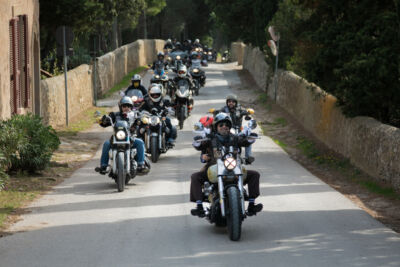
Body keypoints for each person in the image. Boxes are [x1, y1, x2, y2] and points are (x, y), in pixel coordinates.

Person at [190, 113, 263, 217]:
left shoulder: (235, 138)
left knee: (254, 175)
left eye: (227, 125)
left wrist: (251, 138)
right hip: (214, 168)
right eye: (221, 125)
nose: (224, 126)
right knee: (195, 177)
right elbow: (200, 145)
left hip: (234, 168)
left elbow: (244, 141)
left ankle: (251, 204)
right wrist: (197, 141)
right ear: (216, 127)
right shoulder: (211, 139)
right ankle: (199, 206)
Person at [95, 96, 149, 174]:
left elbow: (141, 119)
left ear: (131, 107)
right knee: (106, 144)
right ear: (120, 107)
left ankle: (141, 165)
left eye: (128, 106)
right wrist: (103, 120)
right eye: (124, 106)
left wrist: (143, 120)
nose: (126, 108)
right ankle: (103, 166)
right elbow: (105, 123)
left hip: (130, 138)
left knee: (140, 142)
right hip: (116, 138)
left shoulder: (135, 115)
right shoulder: (114, 115)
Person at [218, 94, 255, 164]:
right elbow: (218, 114)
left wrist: (248, 112)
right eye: (229, 101)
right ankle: (218, 157)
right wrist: (215, 112)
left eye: (233, 101)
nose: (231, 103)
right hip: (227, 131)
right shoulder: (223, 109)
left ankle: (248, 157)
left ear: (235, 102)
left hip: (238, 131)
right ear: (227, 102)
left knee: (249, 139)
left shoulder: (239, 109)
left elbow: (245, 111)